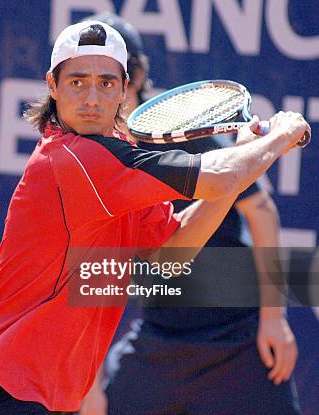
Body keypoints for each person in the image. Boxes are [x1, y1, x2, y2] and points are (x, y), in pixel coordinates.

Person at [0, 20, 310, 415]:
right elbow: (221, 176)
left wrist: (240, 169)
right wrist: (278, 137)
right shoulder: (74, 159)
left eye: (105, 83)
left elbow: (169, 258)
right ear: (52, 85)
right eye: (77, 82)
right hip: (5, 388)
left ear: (124, 87)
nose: (91, 98)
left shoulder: (116, 162)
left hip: (43, 394)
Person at [78, 14, 302, 415]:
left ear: (139, 73)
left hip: (236, 336)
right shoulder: (93, 154)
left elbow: (262, 211)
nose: (97, 91)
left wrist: (273, 319)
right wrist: (90, 384)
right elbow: (94, 273)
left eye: (112, 76)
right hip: (159, 336)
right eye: (83, 79)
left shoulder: (183, 130)